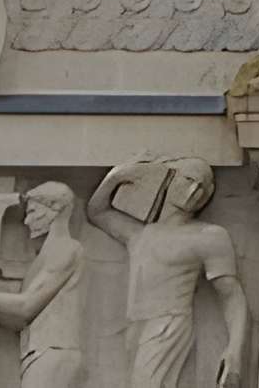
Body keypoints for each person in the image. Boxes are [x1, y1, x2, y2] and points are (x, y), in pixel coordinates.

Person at [87, 160, 246, 388]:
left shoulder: (208, 236)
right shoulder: (139, 234)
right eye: (188, 180)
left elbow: (231, 295)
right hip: (136, 325)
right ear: (170, 178)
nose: (193, 191)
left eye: (202, 188)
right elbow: (97, 211)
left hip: (169, 325)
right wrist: (118, 175)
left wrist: (234, 352)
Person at [0, 183, 87, 388]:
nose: (26, 221)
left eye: (32, 212)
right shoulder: (41, 260)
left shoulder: (66, 248)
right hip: (38, 353)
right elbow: (18, 320)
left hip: (54, 350)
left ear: (55, 209)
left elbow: (26, 306)